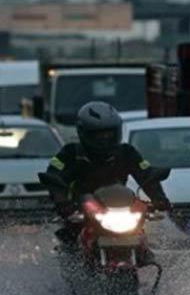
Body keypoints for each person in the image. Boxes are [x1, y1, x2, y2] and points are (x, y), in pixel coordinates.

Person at [44, 101, 171, 247]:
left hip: (121, 208)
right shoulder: (70, 153)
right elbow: (54, 176)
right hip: (81, 212)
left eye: (109, 133)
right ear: (84, 133)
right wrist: (62, 203)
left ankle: (143, 254)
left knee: (142, 238)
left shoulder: (126, 152)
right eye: (99, 135)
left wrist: (159, 199)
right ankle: (72, 263)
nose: (105, 138)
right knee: (69, 241)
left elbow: (146, 174)